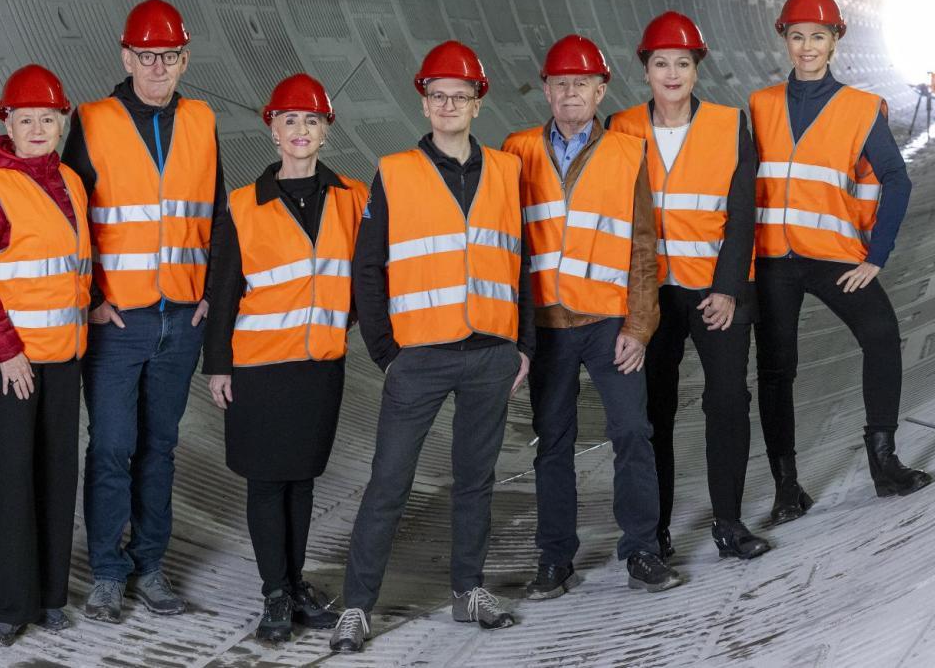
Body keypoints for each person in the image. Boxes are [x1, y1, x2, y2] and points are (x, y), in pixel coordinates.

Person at [331, 40, 533, 653]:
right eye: (438, 96)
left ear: (477, 103)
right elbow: (368, 267)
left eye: (459, 96)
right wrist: (386, 350)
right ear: (424, 103)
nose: (448, 105)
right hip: (418, 356)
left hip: (490, 353)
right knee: (390, 481)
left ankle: (468, 590)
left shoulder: (506, 171)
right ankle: (357, 605)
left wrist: (522, 344)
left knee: (476, 479)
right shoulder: (395, 172)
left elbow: (521, 261)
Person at [501, 34, 682, 602]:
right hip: (547, 328)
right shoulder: (516, 151)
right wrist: (514, 335)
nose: (570, 93)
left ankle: (642, 549)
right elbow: (504, 245)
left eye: (581, 83)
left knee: (631, 432)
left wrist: (640, 326)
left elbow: (644, 248)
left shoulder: (628, 152)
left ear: (601, 90)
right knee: (552, 443)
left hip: (609, 323)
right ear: (546, 90)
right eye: (560, 84)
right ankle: (555, 558)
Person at [62, 0, 223, 623]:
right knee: (111, 447)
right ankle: (107, 571)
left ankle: (150, 565)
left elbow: (213, 213)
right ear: (126, 57)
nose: (158, 67)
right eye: (147, 56)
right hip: (119, 323)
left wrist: (208, 293)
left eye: (169, 56)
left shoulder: (202, 120)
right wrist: (91, 300)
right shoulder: (93, 120)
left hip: (180, 318)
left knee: (160, 448)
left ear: (185, 60)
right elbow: (69, 216)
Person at [751, 0, 934, 525]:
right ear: (785, 40)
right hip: (773, 260)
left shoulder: (859, 108)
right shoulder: (759, 105)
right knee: (776, 370)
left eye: (818, 36)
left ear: (835, 42)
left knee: (881, 335)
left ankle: (884, 462)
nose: (807, 46)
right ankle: (787, 487)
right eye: (797, 36)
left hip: (833, 256)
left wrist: (877, 256)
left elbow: (896, 178)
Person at [202, 74, 359, 644]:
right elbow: (223, 291)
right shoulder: (243, 205)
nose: (300, 130)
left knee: (303, 479)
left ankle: (295, 585)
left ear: (325, 131)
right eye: (289, 120)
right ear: (272, 129)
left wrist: (340, 319)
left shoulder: (353, 197)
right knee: (267, 482)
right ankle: (275, 590)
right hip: (259, 368)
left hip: (319, 365)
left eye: (311, 120)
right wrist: (218, 365)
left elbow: (365, 274)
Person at [609, 12, 770, 562]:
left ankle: (728, 523)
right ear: (645, 70)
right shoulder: (621, 127)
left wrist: (727, 289)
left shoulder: (729, 124)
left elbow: (742, 215)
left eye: (682, 63)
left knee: (728, 401)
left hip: (715, 291)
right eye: (661, 64)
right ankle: (655, 532)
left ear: (697, 69)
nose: (672, 74)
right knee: (653, 411)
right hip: (652, 295)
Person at [0, 65, 87, 646]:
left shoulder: (72, 182)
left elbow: (72, 266)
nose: (37, 129)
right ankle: (11, 607)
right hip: (15, 361)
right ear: (6, 123)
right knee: (18, 476)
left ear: (62, 124)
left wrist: (94, 306)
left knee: (59, 473)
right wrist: (8, 353)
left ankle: (52, 597)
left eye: (47, 119)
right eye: (25, 119)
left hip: (65, 355)